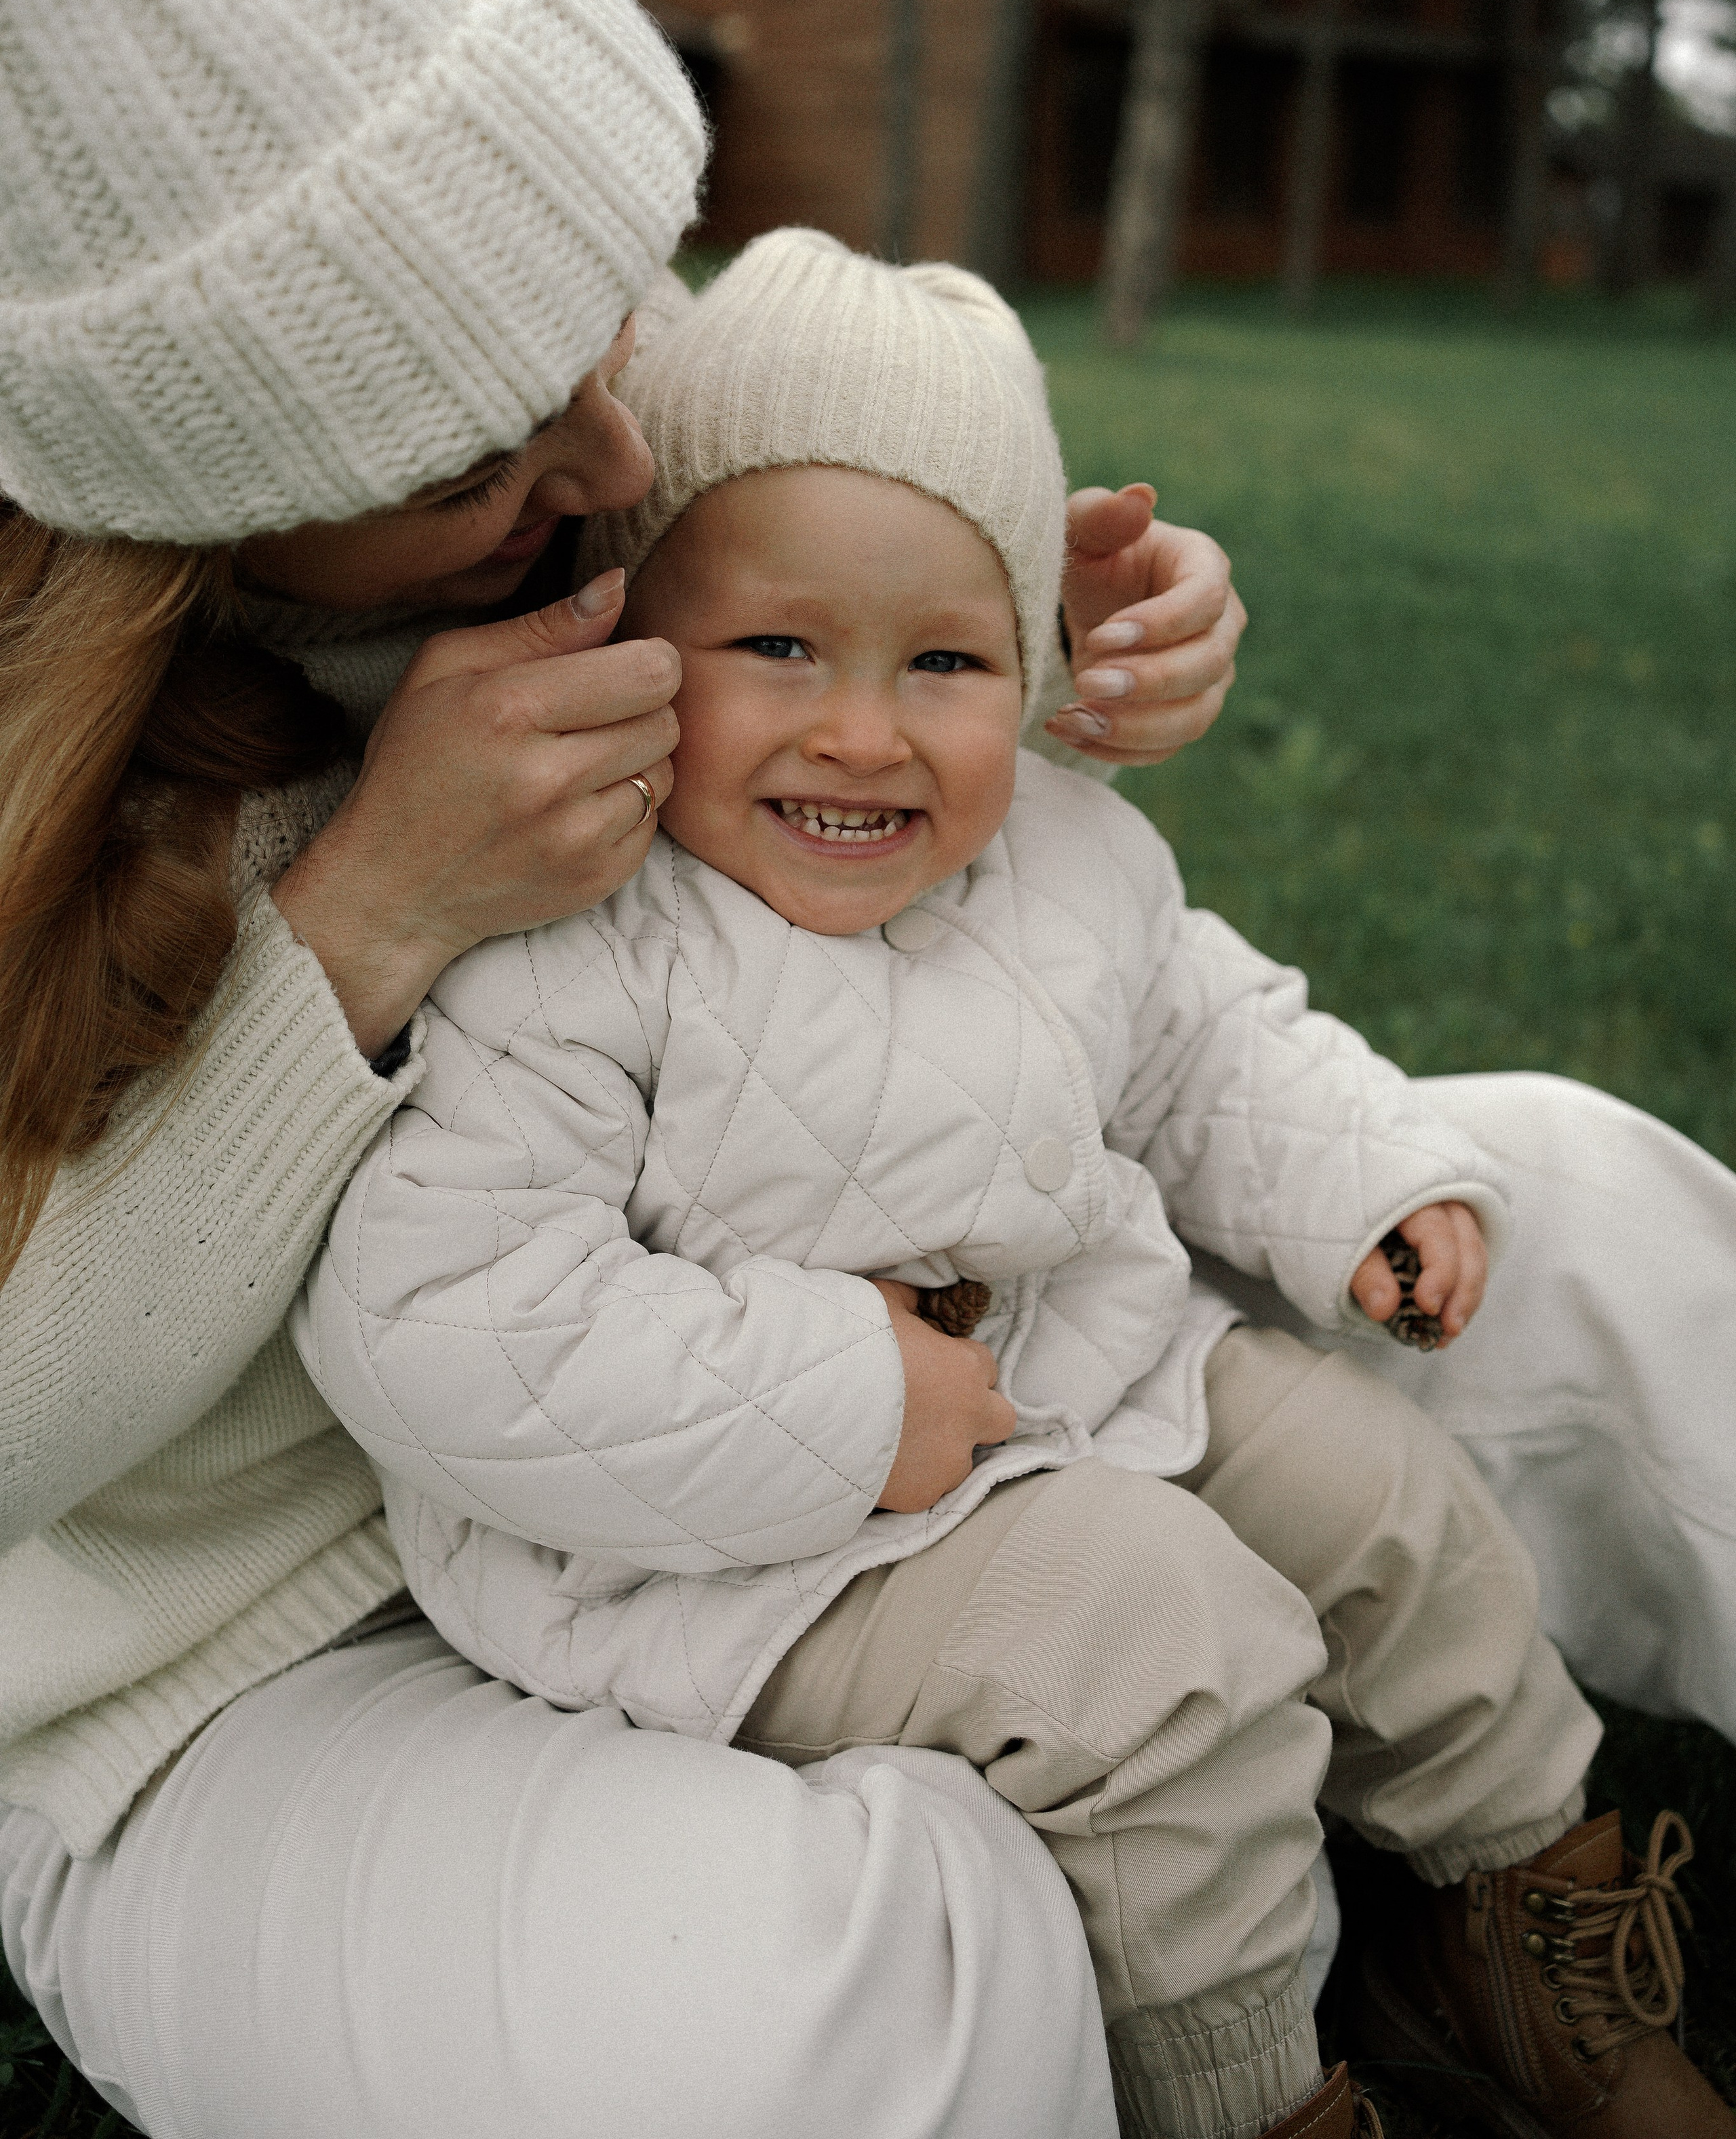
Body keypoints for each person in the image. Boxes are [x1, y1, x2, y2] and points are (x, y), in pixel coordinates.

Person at [0, 0, 1244, 2134]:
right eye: (477, 454)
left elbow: (861, 652)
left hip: (865, 1404)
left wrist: (1023, 637)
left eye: (612, 299)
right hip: (261, 1668)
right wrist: (369, 922)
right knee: (789, 2026)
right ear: (192, 511)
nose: (617, 446)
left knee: (1549, 1207)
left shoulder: (596, 439)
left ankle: (1221, 1787)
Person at [298, 230, 1731, 2139]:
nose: (864, 729)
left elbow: (1196, 1030)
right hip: (719, 1550)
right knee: (1161, 1659)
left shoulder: (1059, 851)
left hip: (1069, 1386)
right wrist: (842, 1399)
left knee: (1394, 1502)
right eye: (777, 646)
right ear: (629, 639)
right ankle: (1248, 2093)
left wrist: (1367, 1183)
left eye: (947, 660)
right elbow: (446, 1317)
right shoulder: (568, 936)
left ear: (1037, 664)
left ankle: (1515, 1921)